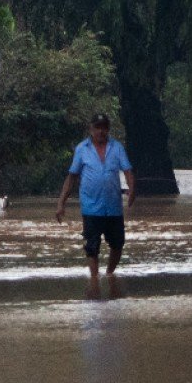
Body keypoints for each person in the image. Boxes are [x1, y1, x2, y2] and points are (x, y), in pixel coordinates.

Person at [55, 113, 136, 297]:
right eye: (97, 127)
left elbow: (128, 171)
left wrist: (132, 190)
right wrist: (61, 203)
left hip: (113, 207)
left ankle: (109, 274)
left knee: (117, 244)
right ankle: (94, 279)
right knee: (92, 246)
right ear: (91, 129)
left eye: (104, 127)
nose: (101, 131)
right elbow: (72, 177)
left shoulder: (117, 148)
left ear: (108, 129)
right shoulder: (82, 149)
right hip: (91, 207)